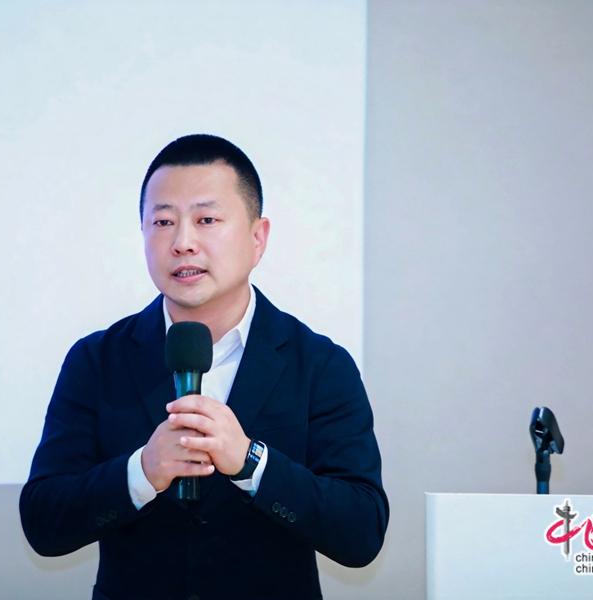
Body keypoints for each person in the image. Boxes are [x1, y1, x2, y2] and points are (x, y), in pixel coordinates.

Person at [20, 134, 388, 600]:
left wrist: (252, 462)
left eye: (206, 220)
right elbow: (44, 523)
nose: (182, 243)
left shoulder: (320, 364)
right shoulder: (97, 360)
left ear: (257, 238)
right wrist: (141, 472)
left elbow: (361, 532)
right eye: (163, 222)